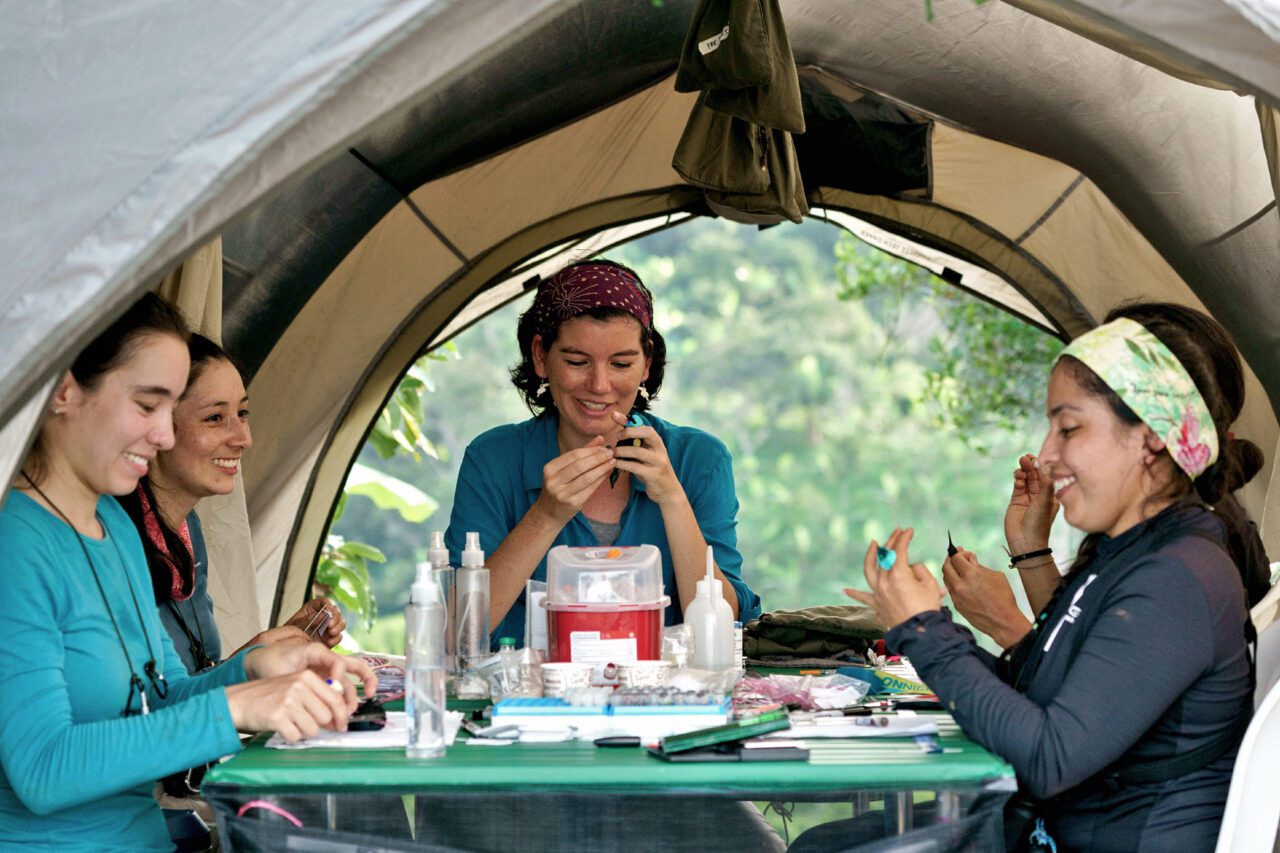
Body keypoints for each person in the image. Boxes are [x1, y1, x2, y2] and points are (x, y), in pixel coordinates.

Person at [846, 303, 1255, 851]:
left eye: (1069, 428)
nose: (1047, 454)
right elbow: (1040, 692)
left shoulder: (1177, 579)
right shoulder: (1128, 554)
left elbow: (1050, 756)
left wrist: (926, 631)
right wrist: (923, 627)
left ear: (1151, 438)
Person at [0, 294, 375, 850]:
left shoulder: (112, 522)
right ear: (65, 390)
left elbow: (165, 696)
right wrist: (237, 706)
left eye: (170, 409)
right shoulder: (16, 543)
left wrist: (254, 667)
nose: (164, 436)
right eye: (147, 405)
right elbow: (43, 770)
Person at [446, 259, 761, 643]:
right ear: (541, 357)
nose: (599, 385)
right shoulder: (493, 459)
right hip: (527, 697)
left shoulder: (700, 459)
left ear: (646, 364)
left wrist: (673, 498)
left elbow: (726, 623)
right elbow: (455, 633)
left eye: (621, 363)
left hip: (666, 697)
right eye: (577, 361)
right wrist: (546, 514)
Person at [944, 303, 1272, 651]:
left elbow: (1096, 692)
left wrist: (1004, 622)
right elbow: (1077, 641)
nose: (1048, 455)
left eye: (1073, 426)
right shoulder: (1149, 526)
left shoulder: (1191, 551)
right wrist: (1030, 548)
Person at [118, 333, 344, 677]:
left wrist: (269, 648)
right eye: (215, 418)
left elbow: (188, 689)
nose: (244, 439)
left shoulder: (187, 529)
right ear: (158, 424)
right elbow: (153, 708)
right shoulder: (113, 537)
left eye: (242, 413)